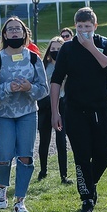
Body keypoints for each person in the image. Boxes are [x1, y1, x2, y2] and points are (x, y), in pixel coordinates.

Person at [50, 7, 107, 212]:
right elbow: (56, 80)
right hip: (75, 110)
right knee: (81, 156)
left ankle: (91, 183)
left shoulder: (105, 44)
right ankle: (87, 199)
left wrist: (92, 47)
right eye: (79, 27)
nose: (83, 30)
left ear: (94, 26)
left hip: (101, 108)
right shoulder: (68, 49)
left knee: (105, 153)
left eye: (87, 27)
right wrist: (55, 112)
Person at [0, 17, 49, 212]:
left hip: (28, 114)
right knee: (4, 155)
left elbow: (44, 89)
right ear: (4, 35)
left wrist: (30, 88)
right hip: (4, 114)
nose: (14, 32)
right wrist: (7, 88)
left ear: (24, 34)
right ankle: (2, 189)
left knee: (25, 156)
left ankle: (20, 200)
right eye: (10, 29)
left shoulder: (33, 58)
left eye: (18, 29)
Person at [36, 36, 72, 185]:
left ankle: (64, 175)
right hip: (45, 105)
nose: (56, 51)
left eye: (59, 48)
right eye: (53, 48)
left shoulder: (68, 65)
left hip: (62, 104)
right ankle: (43, 170)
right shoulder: (44, 65)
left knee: (61, 140)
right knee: (44, 140)